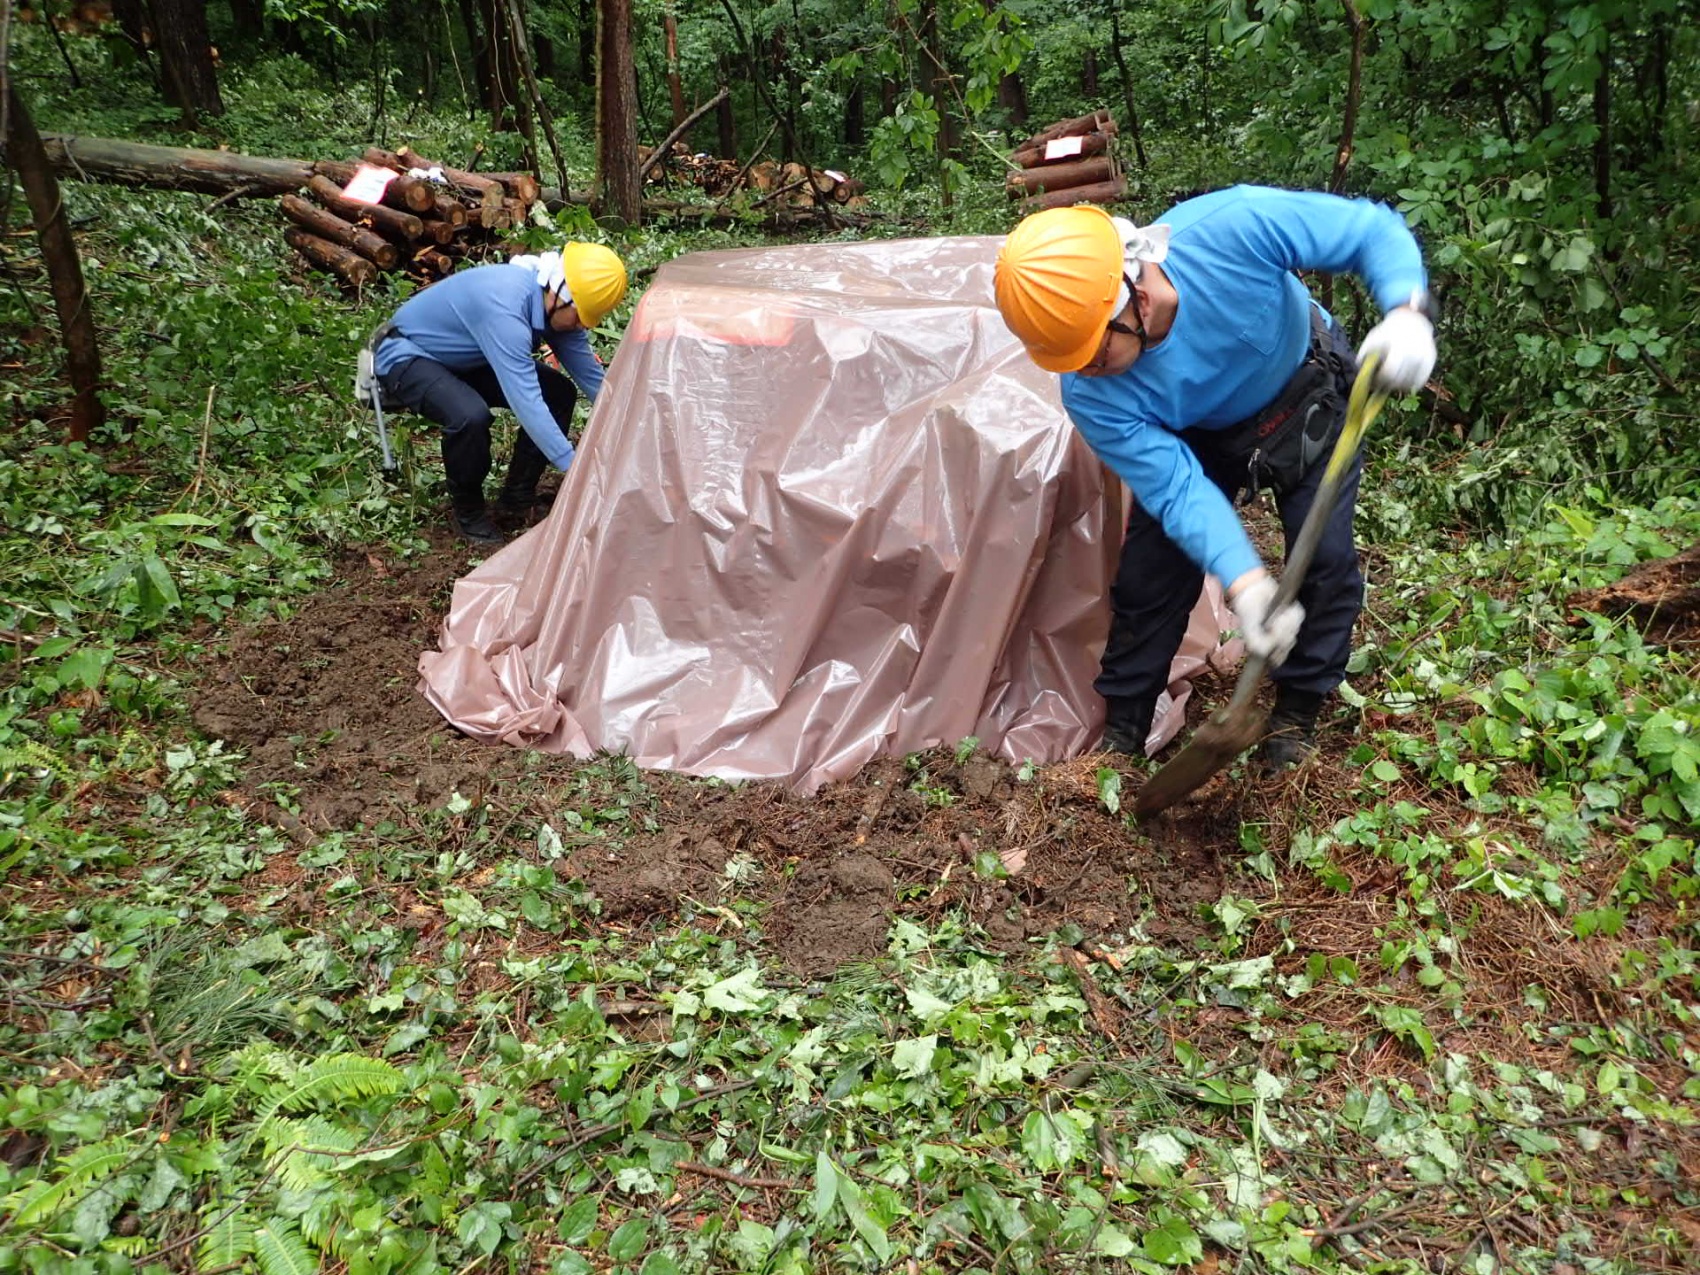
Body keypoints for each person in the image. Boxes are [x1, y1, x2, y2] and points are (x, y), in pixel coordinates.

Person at [993, 186, 1436, 769]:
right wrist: (1246, 583)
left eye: (1093, 351)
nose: (1084, 371)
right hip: (1192, 433)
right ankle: (1123, 733)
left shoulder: (1231, 229)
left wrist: (1407, 313)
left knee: (1324, 561)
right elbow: (1178, 490)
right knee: (1149, 577)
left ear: (1134, 296)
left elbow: (1368, 231)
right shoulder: (1090, 393)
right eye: (1067, 359)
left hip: (1302, 391)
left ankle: (1295, 713)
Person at [365, 243, 628, 543]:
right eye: (581, 316)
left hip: (466, 356)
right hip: (405, 355)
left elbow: (595, 381)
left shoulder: (558, 310)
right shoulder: (505, 307)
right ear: (558, 293)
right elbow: (527, 401)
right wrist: (576, 470)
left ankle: (516, 500)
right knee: (470, 416)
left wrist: (635, 431)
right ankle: (469, 514)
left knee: (559, 393)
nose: (582, 325)